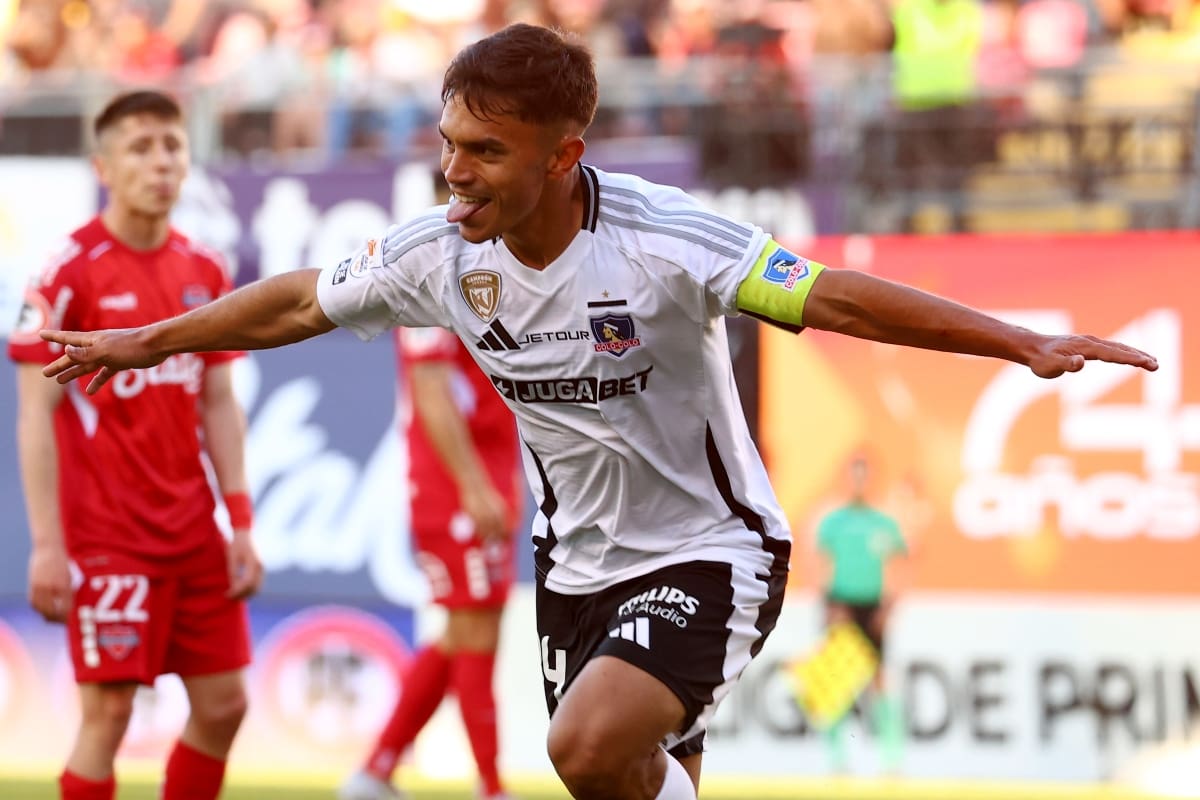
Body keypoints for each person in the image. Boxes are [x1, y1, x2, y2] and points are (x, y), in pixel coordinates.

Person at [36, 24, 1157, 800]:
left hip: (715, 548)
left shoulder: (665, 238)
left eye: (484, 152)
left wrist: (1016, 339)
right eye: (446, 145)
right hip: (575, 566)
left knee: (583, 746)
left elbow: (835, 294)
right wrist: (156, 337)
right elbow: (293, 305)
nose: (452, 175)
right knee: (628, 776)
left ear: (564, 155)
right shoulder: (438, 256)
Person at [8, 90, 262, 800]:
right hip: (108, 538)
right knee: (110, 712)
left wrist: (239, 523)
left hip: (194, 533)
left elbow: (218, 400)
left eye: (172, 147)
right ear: (104, 167)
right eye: (140, 148)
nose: (160, 163)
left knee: (224, 705)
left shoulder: (205, 271)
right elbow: (35, 415)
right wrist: (49, 544)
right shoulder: (68, 272)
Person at [339, 326, 521, 800]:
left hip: (491, 470)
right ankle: (492, 787)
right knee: (476, 631)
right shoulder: (430, 275)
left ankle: (375, 772)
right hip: (458, 483)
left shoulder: (490, 265)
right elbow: (430, 386)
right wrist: (473, 486)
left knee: (461, 634)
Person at [814, 456, 908, 773]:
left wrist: (889, 605)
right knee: (836, 682)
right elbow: (818, 565)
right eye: (854, 476)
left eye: (864, 476)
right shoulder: (833, 521)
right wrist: (829, 604)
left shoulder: (883, 522)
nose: (859, 483)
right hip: (842, 605)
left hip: (872, 605)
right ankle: (838, 761)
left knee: (880, 680)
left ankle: (892, 761)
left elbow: (903, 564)